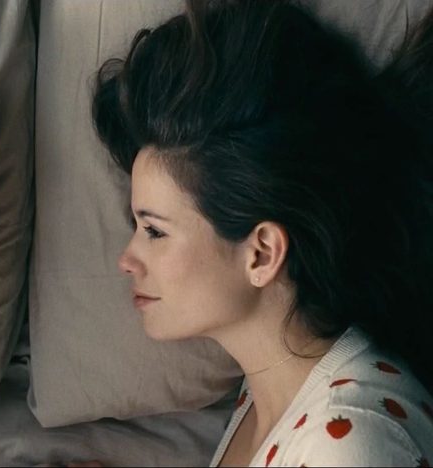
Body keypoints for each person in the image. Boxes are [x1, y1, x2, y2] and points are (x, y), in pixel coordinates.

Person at [91, 0, 433, 466]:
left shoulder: (347, 444)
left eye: (153, 230)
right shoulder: (272, 392)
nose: (126, 259)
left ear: (262, 253)